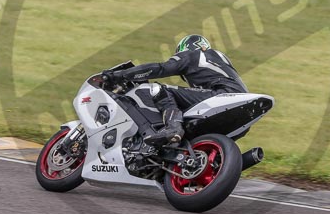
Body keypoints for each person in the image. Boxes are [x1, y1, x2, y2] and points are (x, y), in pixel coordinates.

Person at [102, 35, 248, 145]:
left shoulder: (192, 54)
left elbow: (161, 69)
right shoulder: (220, 59)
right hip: (241, 107)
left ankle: (172, 128)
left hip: (221, 94)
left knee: (158, 89)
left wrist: (121, 75)